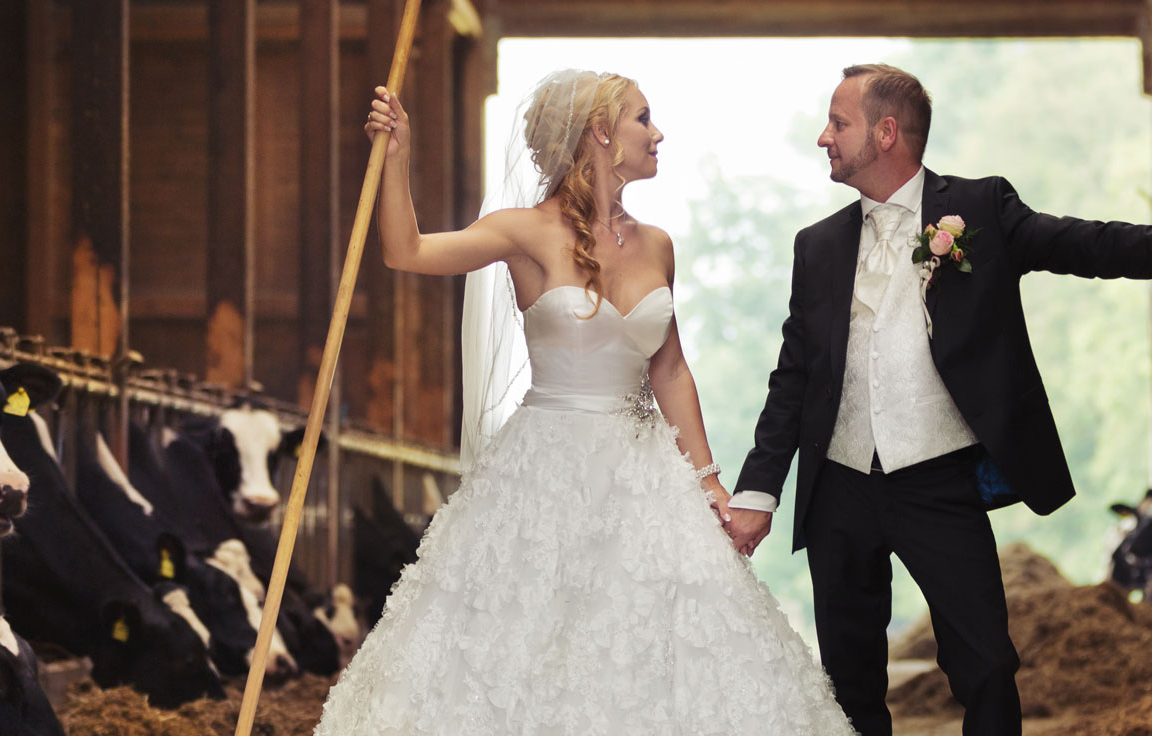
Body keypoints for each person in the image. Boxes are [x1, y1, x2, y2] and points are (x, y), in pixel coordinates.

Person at [727, 63, 1152, 736]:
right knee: (849, 680)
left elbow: (1092, 244)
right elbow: (793, 377)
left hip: (937, 480)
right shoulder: (817, 246)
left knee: (985, 666)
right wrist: (758, 492)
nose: (824, 137)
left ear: (887, 132)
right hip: (838, 486)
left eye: (838, 123)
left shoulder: (979, 208)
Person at [312, 70, 855, 735]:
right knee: (526, 639)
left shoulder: (657, 244)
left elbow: (671, 368)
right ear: (600, 132)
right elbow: (407, 252)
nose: (658, 134)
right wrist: (394, 157)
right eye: (642, 118)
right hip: (547, 467)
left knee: (669, 639)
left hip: (646, 472)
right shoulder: (524, 232)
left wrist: (709, 477)